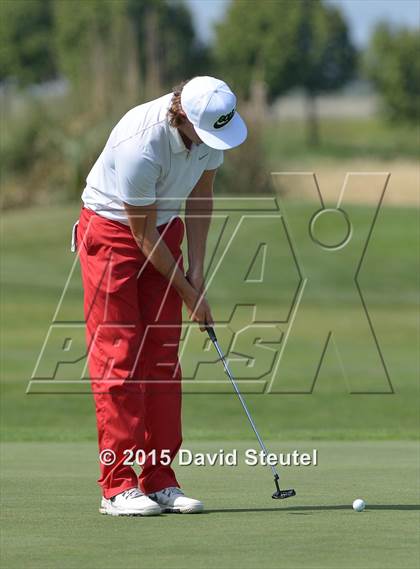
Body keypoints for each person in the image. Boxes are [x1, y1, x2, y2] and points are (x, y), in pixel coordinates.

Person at [72, 76, 247, 516]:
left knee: (163, 359)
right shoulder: (140, 142)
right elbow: (140, 233)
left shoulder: (211, 132)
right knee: (120, 357)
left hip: (164, 230)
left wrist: (198, 273)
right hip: (113, 232)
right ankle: (116, 487)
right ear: (183, 116)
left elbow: (201, 197)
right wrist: (188, 294)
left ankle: (159, 479)